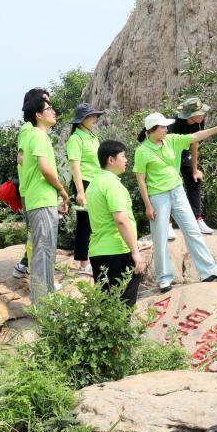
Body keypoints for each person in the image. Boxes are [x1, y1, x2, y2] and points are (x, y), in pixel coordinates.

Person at [133, 112, 217, 292]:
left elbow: (196, 136)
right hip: (158, 196)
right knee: (160, 237)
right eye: (163, 127)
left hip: (177, 191)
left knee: (193, 230)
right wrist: (148, 205)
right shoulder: (142, 151)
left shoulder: (172, 140)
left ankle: (209, 270)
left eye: (166, 127)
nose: (166, 129)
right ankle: (164, 278)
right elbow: (141, 180)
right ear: (152, 130)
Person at [18, 92, 69, 302]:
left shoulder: (34, 135)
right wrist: (62, 191)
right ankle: (41, 306)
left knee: (46, 251)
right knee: (42, 253)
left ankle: (46, 301)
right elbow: (46, 170)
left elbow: (22, 161)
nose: (53, 112)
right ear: (38, 115)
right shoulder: (38, 136)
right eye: (49, 109)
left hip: (41, 199)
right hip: (41, 201)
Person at [85, 140, 144, 306]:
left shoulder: (93, 184)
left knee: (106, 307)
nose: (126, 160)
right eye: (123, 156)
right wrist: (135, 252)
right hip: (118, 251)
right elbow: (121, 220)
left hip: (98, 253)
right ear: (111, 160)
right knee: (124, 306)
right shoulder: (112, 184)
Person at [11, 87, 47, 280]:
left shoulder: (32, 130)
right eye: (46, 102)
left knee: (35, 232)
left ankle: (26, 265)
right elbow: (21, 157)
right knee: (35, 232)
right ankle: (28, 268)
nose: (49, 106)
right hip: (31, 189)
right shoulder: (29, 130)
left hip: (32, 188)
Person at [66, 102, 104, 277]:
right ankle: (83, 263)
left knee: (97, 222)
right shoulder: (76, 139)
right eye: (91, 116)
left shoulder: (92, 136)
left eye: (95, 116)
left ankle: (95, 257)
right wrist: (81, 192)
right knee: (85, 223)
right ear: (81, 120)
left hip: (96, 183)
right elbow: (75, 167)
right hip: (85, 183)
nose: (95, 119)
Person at [169, 97, 214, 234]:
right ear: (189, 115)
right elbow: (164, 146)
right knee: (169, 185)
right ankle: (166, 223)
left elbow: (194, 143)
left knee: (195, 180)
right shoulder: (174, 124)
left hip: (183, 153)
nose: (202, 115)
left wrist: (195, 170)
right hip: (168, 154)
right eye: (199, 113)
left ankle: (197, 219)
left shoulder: (199, 121)